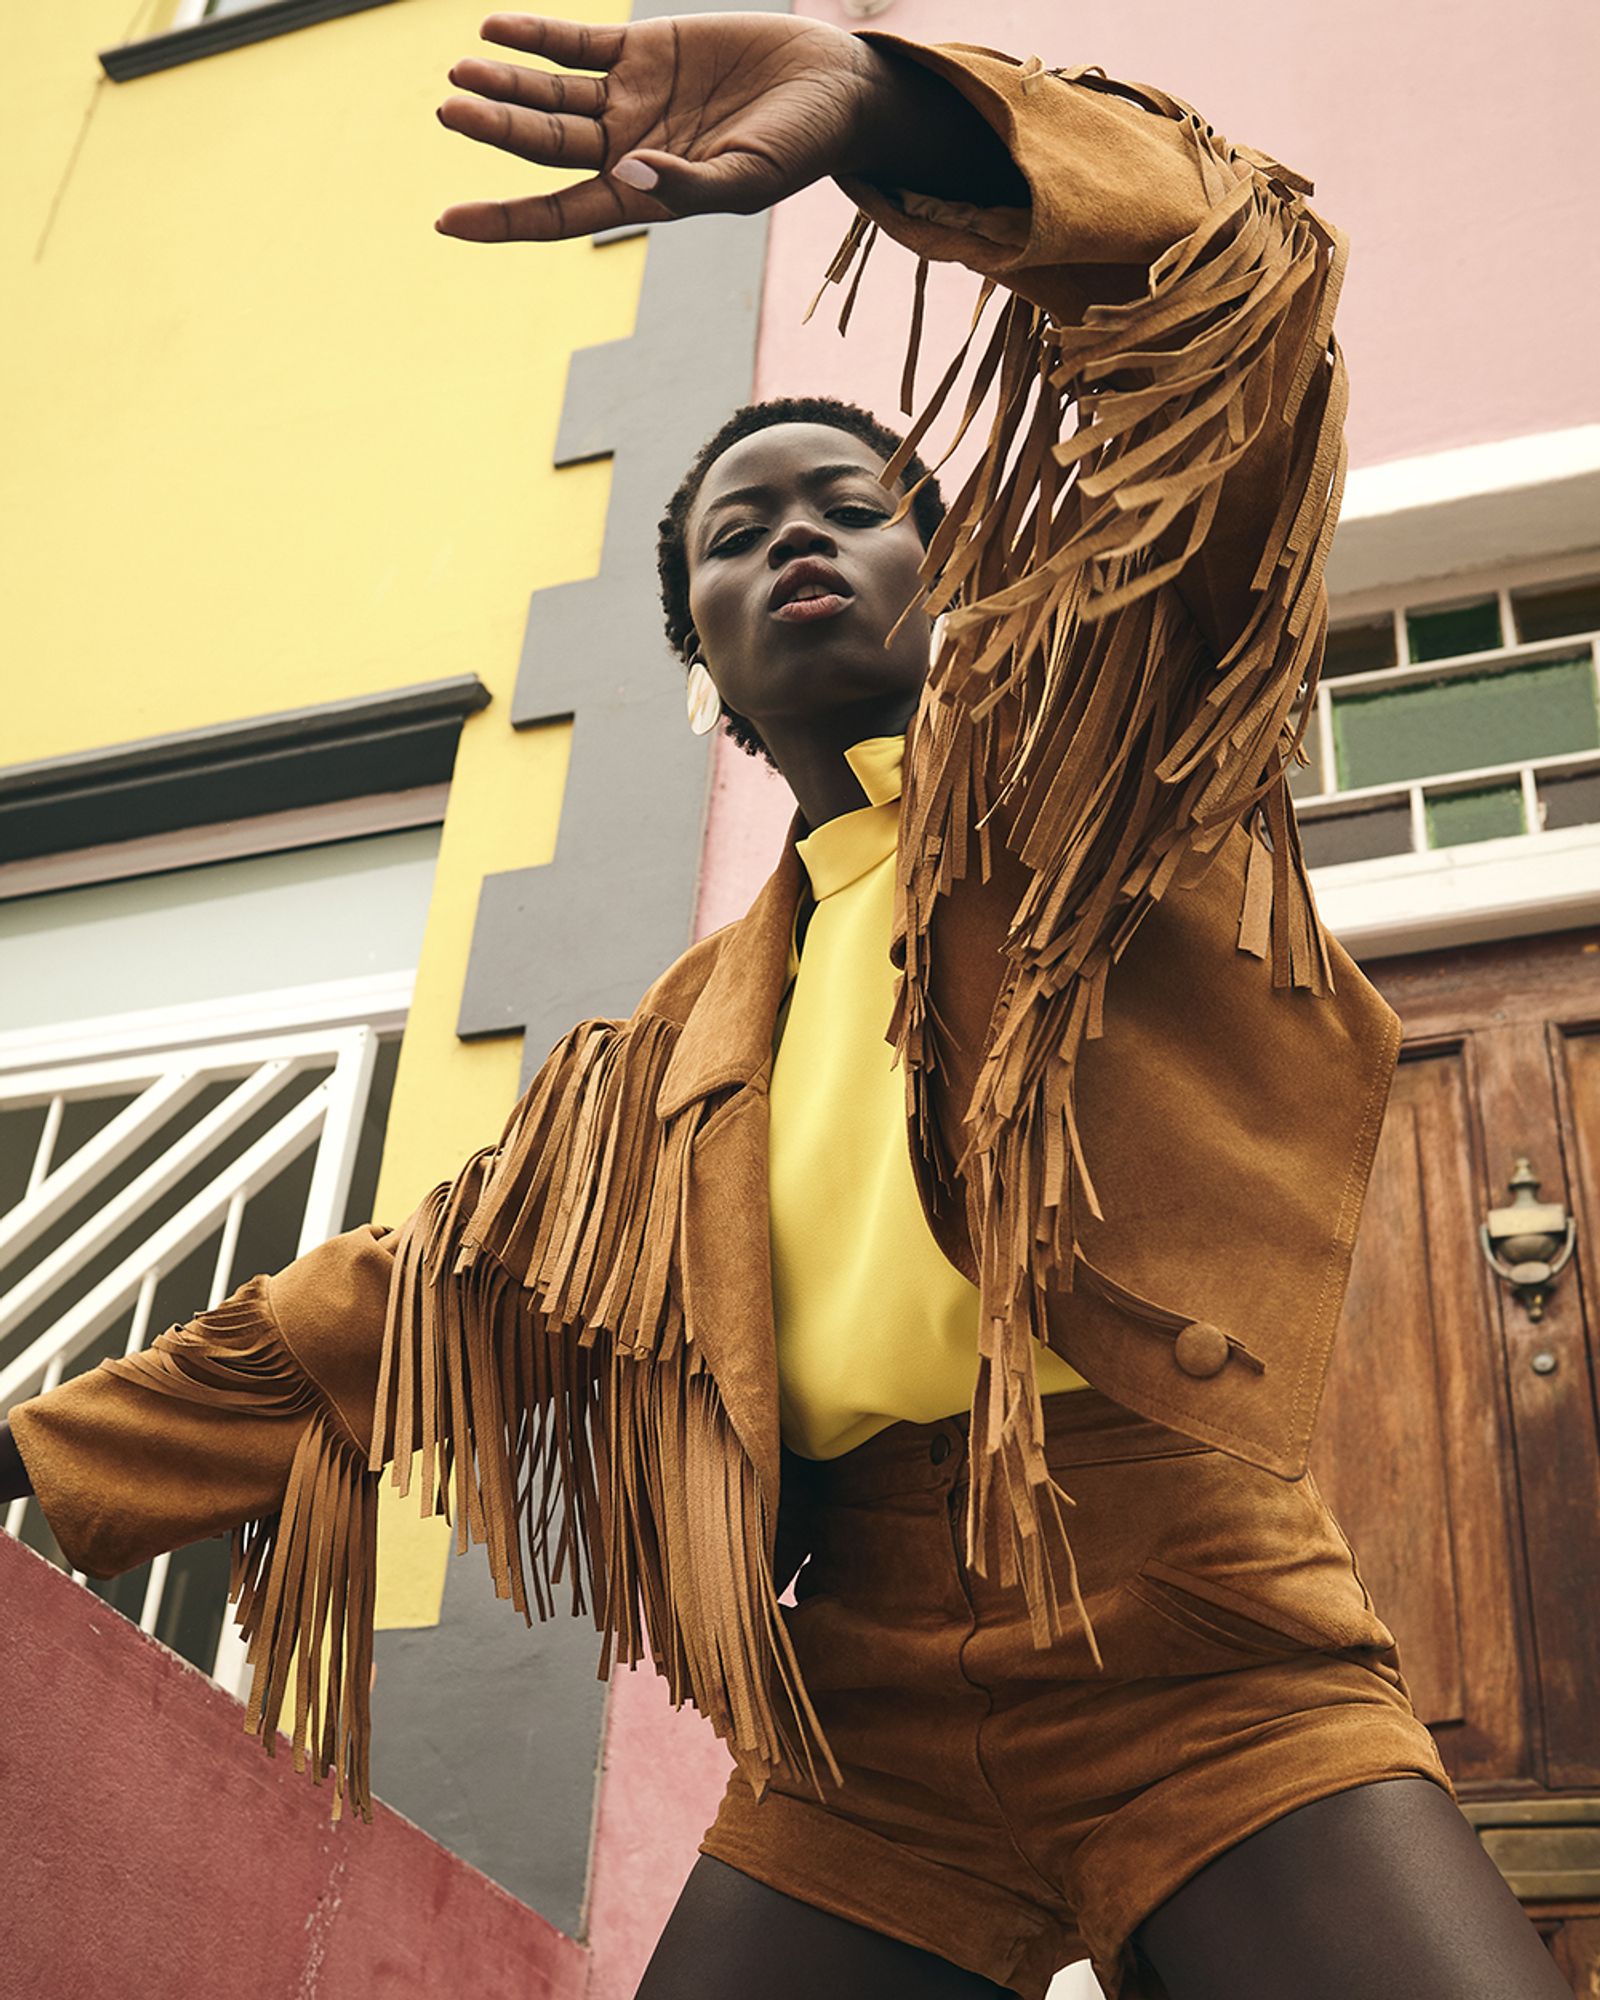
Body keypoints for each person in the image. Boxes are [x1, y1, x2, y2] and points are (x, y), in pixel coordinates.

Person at [0, 14, 1575, 2000]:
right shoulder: (666, 1054)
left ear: (955, 567)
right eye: (735, 538)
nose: (793, 536)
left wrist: (898, 107)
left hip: (1194, 1630)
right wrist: (33, 1458)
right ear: (711, 677)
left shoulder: (1106, 768)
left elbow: (1234, 315)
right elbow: (403, 1302)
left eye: (851, 502)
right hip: (859, 1710)